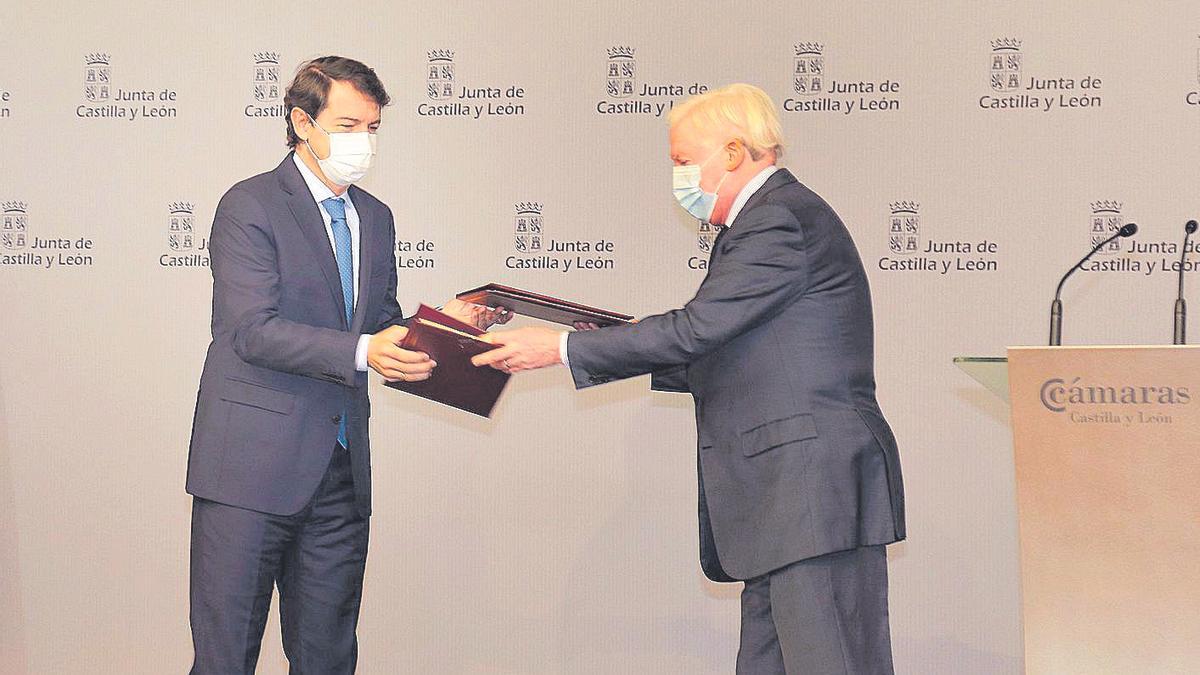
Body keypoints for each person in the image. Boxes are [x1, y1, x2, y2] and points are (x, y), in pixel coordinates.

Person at [473, 83, 905, 674]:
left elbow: (697, 330)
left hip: (810, 494)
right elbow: (720, 346)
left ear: (732, 153)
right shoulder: (762, 222)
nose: (677, 177)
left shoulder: (776, 220)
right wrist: (591, 335)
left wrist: (564, 348)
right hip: (787, 505)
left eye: (682, 161)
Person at [186, 56, 506, 674]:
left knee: (329, 657)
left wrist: (449, 325)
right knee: (226, 659)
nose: (364, 142)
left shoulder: (376, 217)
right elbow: (251, 331)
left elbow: (380, 324)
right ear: (302, 123)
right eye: (349, 124)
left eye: (373, 128)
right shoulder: (249, 205)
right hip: (249, 472)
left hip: (339, 473)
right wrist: (364, 350)